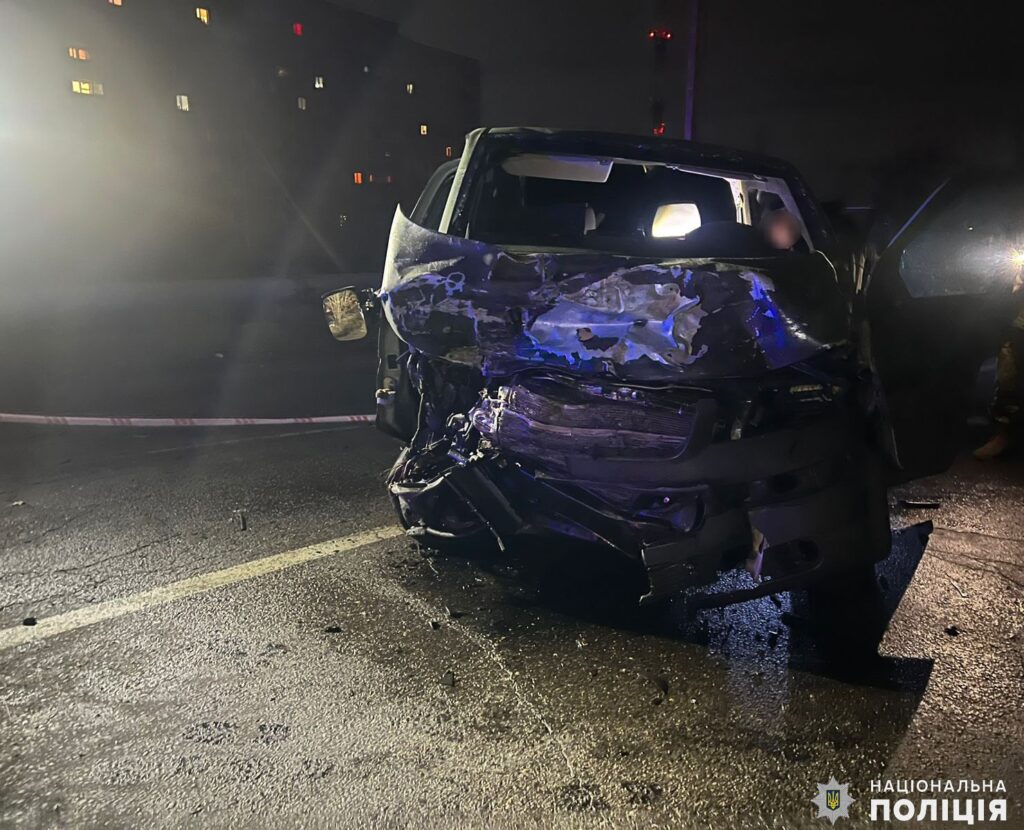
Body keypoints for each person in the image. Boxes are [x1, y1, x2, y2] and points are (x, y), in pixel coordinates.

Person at [974, 272, 1024, 459]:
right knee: (1009, 380)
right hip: (1019, 327)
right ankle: (1004, 435)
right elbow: (1012, 287)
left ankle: (1008, 437)